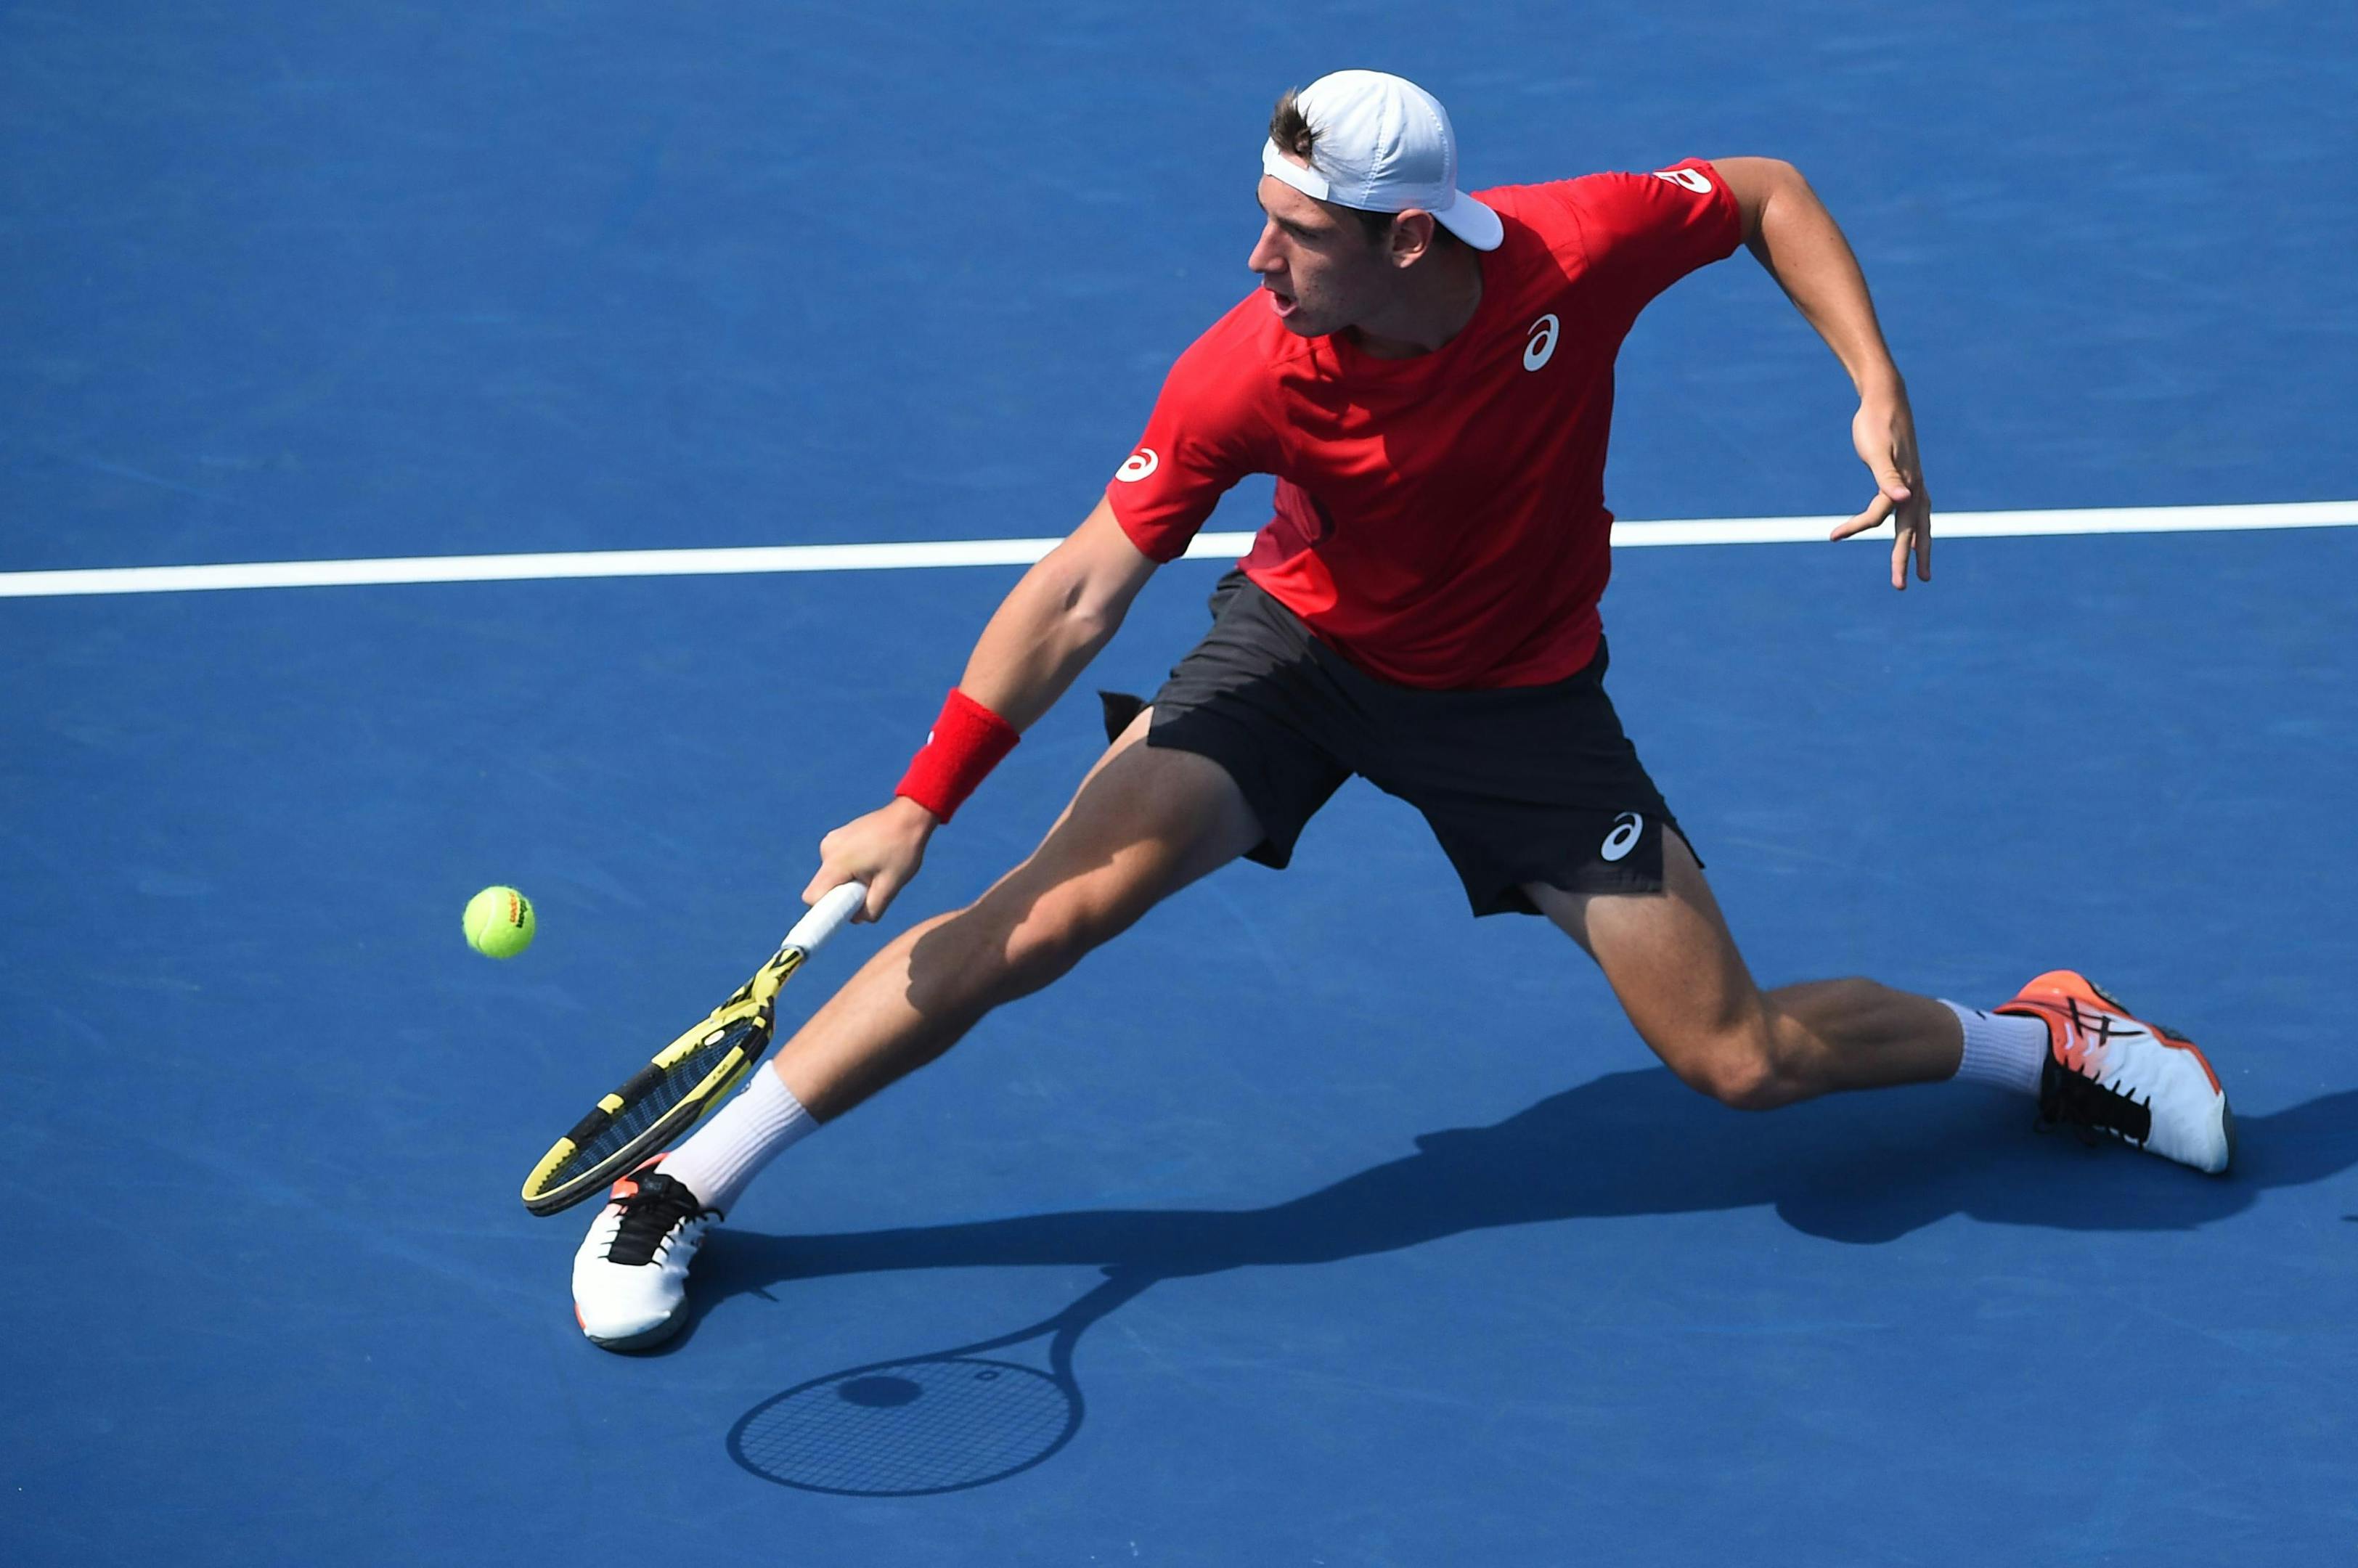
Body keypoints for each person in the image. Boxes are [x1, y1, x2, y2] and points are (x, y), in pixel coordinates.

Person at [570, 70, 2232, 1351]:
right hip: (1299, 658)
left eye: (1293, 234)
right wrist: (923, 796)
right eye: (1262, 215)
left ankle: (2047, 1042)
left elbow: (1769, 192)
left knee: (1739, 1063)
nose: (1255, 256)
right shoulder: (1246, 366)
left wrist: (1878, 392)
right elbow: (1088, 583)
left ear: (1408, 239)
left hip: (1518, 705)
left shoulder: (1577, 249)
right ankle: (687, 1179)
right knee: (1042, 915)